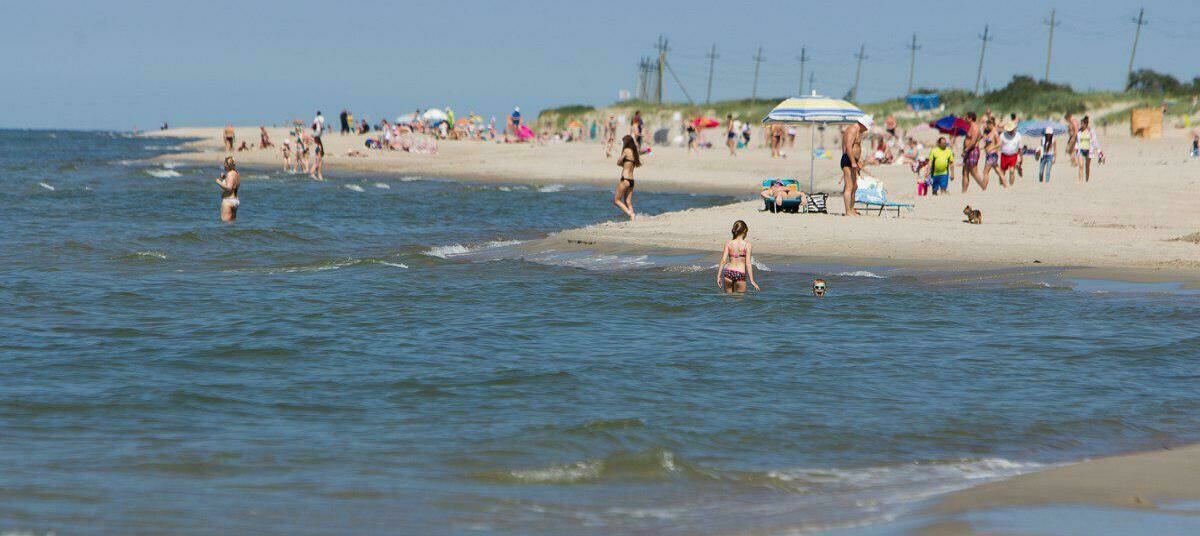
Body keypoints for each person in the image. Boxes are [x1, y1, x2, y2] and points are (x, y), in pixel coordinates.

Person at [716, 220, 759, 293]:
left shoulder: (728, 243)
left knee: (728, 299)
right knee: (740, 301)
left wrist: (718, 276)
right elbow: (748, 263)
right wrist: (752, 280)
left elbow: (723, 260)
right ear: (745, 230)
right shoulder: (747, 245)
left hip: (728, 273)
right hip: (740, 274)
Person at [840, 115, 871, 215]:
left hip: (853, 161)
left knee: (855, 186)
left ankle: (852, 209)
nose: (866, 129)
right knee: (849, 186)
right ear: (862, 124)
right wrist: (853, 162)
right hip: (848, 160)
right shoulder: (852, 129)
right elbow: (848, 146)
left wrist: (857, 161)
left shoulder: (858, 131)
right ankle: (848, 211)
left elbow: (855, 147)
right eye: (866, 127)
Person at [613, 135, 640, 220]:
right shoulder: (635, 153)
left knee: (616, 200)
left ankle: (630, 214)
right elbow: (628, 165)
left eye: (624, 142)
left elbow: (618, 162)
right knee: (628, 201)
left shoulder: (626, 150)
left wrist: (621, 155)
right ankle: (633, 218)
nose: (623, 144)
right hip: (631, 180)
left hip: (625, 179)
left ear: (627, 142)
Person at [961, 112, 985, 192]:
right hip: (968, 150)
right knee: (965, 172)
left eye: (966, 117)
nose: (965, 119)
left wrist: (966, 150)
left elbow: (973, 141)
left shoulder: (975, 127)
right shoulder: (970, 127)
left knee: (974, 172)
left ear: (970, 118)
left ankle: (983, 187)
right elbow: (980, 136)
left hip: (972, 151)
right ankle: (963, 192)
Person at [215, 156, 240, 222]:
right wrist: (224, 178)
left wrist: (219, 182)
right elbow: (232, 183)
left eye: (225, 164)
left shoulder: (230, 174)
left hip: (228, 201)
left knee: (225, 224)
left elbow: (229, 188)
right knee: (232, 225)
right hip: (235, 200)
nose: (224, 166)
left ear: (227, 165)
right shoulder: (237, 173)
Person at [1076, 116, 1100, 182]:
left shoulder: (1091, 132)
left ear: (1086, 124)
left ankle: (1087, 180)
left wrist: (1098, 151)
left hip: (1089, 150)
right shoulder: (1079, 132)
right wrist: (1076, 149)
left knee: (1087, 166)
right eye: (1081, 124)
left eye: (1082, 124)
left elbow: (1095, 141)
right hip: (1081, 150)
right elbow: (1077, 141)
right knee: (1080, 165)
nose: (1081, 125)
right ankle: (1080, 180)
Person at [999, 121, 1022, 186]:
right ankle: (1001, 185)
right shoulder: (1002, 135)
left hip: (1013, 156)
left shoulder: (1018, 135)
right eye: (1009, 130)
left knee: (1012, 171)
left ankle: (1011, 185)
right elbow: (998, 145)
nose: (1011, 131)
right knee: (1002, 171)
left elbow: (1020, 148)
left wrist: (1021, 158)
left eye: (1012, 130)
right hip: (1004, 156)